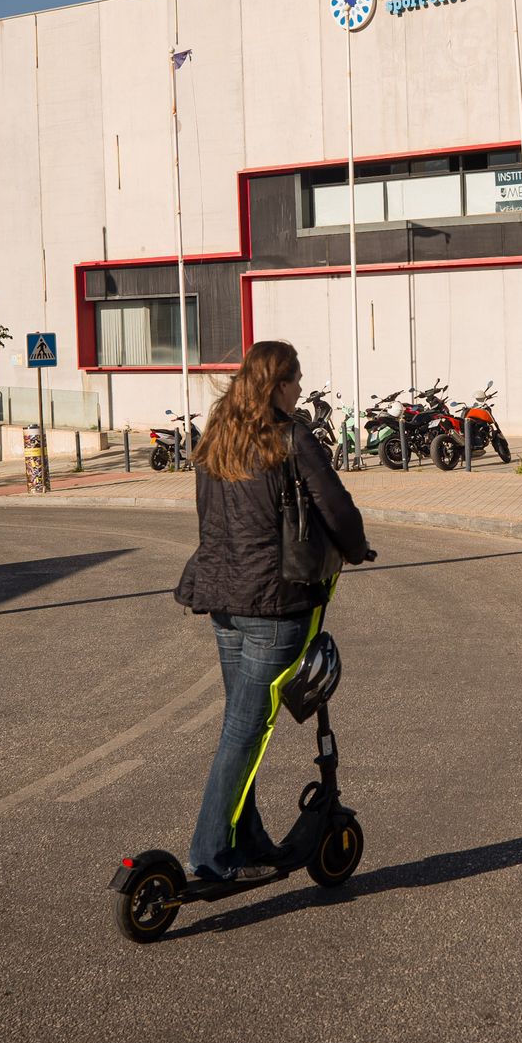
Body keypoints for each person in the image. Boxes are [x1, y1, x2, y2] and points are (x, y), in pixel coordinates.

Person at [173, 340, 368, 883]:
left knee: (241, 727)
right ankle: (210, 856)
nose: (301, 389)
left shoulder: (217, 436)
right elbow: (335, 505)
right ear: (278, 384)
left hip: (222, 599)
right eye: (296, 380)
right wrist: (356, 549)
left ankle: (248, 838)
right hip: (275, 604)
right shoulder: (290, 437)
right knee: (247, 730)